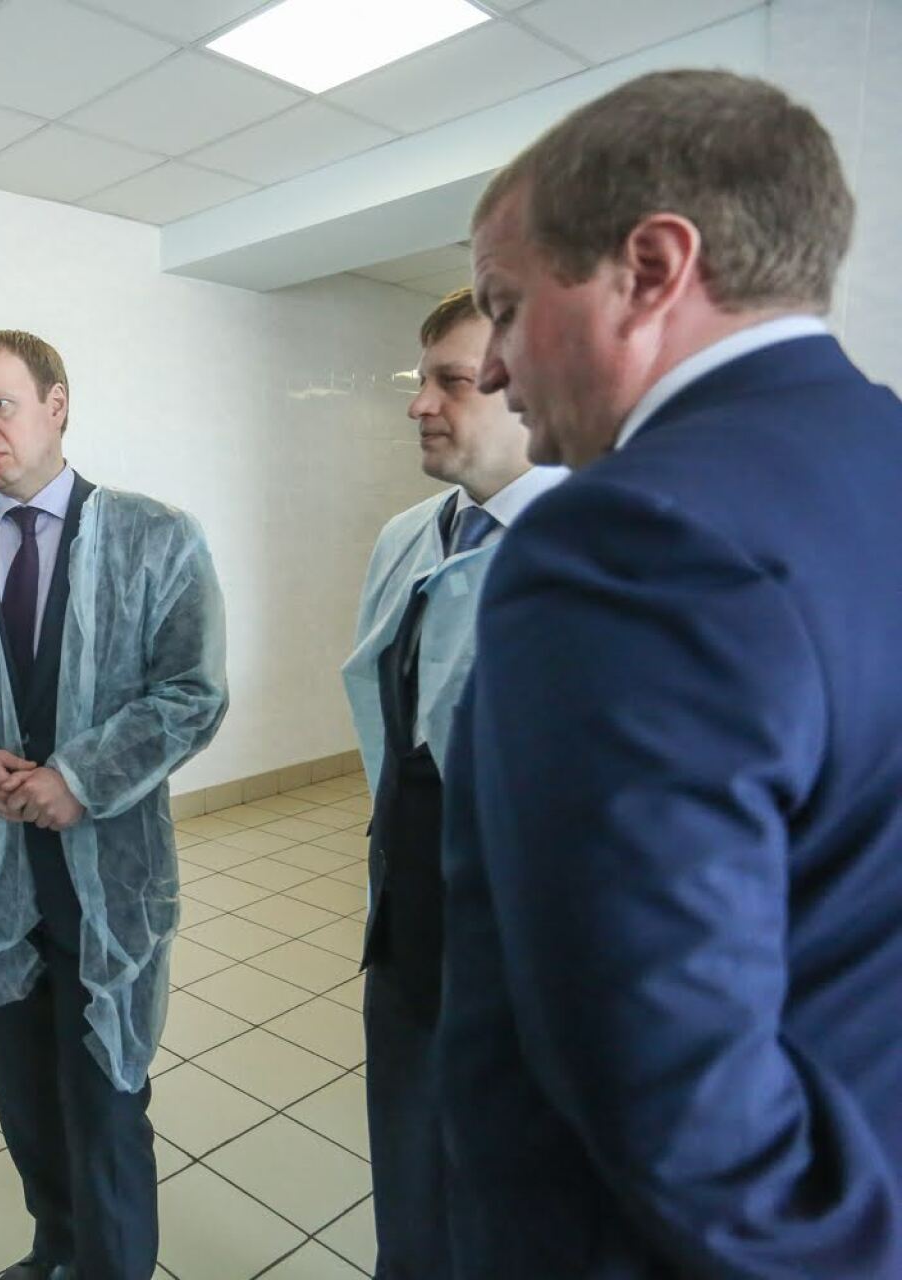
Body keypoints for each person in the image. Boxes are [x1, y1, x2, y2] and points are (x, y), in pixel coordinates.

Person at [440, 69, 902, 1275]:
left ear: (650, 269)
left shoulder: (627, 539)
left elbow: (671, 1086)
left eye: (505, 306)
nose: (495, 369)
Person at [0, 331, 228, 1280]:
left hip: (109, 878)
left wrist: (83, 778)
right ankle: (56, 1248)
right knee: (26, 1096)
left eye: (1, 405)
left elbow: (192, 693)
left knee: (106, 1099)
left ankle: (111, 1265)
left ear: (56, 404)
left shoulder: (156, 538)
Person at [338, 289, 564, 1278]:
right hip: (411, 912)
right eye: (420, 378)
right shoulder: (408, 535)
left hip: (529, 947)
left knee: (512, 1188)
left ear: (530, 390)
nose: (418, 403)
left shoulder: (593, 551)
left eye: (452, 381)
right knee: (408, 1157)